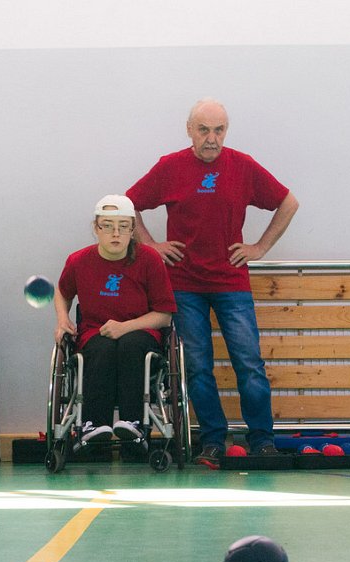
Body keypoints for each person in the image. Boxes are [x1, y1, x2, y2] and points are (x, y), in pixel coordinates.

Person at [126, 98, 299, 466]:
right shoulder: (170, 167)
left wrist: (260, 247)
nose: (212, 138)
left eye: (219, 130)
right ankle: (213, 440)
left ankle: (262, 440)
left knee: (249, 364)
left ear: (226, 131)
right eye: (204, 130)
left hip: (231, 282)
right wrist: (151, 245)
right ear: (189, 130)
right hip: (183, 284)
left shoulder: (242, 166)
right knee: (198, 367)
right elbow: (128, 205)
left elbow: (288, 203)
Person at [55, 195, 176, 448]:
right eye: (108, 226)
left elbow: (164, 315)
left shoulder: (149, 259)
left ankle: (133, 422)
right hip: (96, 332)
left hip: (142, 332)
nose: (116, 233)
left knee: (130, 345)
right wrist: (62, 319)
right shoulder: (78, 261)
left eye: (123, 226)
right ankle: (94, 424)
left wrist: (124, 327)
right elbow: (63, 292)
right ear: (96, 228)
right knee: (101, 347)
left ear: (132, 230)